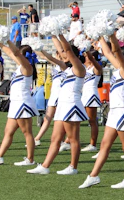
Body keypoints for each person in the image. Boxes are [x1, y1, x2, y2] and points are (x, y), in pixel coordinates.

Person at [79, 34, 124, 189]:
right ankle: (93, 176)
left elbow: (115, 52)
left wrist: (113, 36)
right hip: (114, 112)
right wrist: (101, 35)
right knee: (104, 146)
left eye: (119, 53)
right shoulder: (119, 68)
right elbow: (107, 53)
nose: (115, 55)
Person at [28, 34, 87, 175]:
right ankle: (45, 166)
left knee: (73, 139)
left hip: (72, 106)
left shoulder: (79, 68)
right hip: (62, 106)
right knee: (55, 138)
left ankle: (73, 167)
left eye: (65, 52)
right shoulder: (65, 68)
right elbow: (51, 58)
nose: (62, 54)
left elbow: (66, 49)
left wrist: (60, 35)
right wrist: (53, 34)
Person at [0, 41, 38, 166]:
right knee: (8, 132)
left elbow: (14, 52)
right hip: (15, 103)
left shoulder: (27, 67)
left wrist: (8, 40)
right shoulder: (20, 66)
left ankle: (30, 159)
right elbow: (10, 52)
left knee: (27, 132)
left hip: (22, 103)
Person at [34, 49, 65, 146]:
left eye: (58, 53)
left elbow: (49, 58)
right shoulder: (56, 65)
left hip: (61, 95)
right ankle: (37, 138)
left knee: (60, 119)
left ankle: (62, 141)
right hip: (54, 94)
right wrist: (35, 48)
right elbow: (44, 57)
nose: (57, 55)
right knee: (48, 118)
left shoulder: (65, 66)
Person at [80, 48, 103, 153]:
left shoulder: (96, 68)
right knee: (77, 118)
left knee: (92, 121)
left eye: (86, 56)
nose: (84, 57)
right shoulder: (86, 68)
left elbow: (97, 65)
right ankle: (68, 141)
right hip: (84, 96)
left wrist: (89, 53)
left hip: (91, 96)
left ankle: (93, 144)